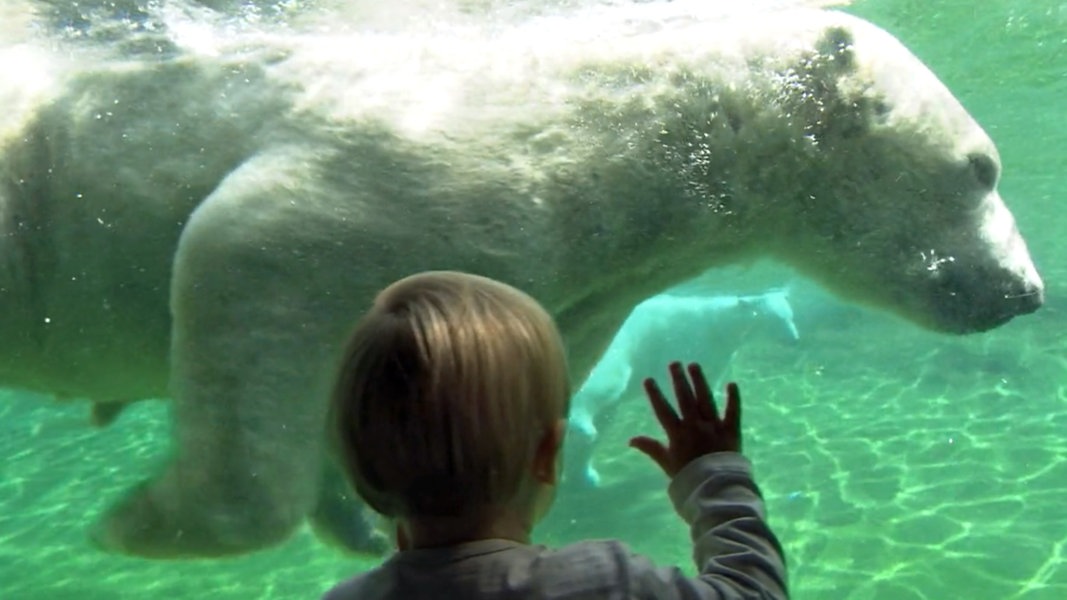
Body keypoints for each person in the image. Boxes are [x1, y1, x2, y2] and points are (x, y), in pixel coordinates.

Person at [323, 270, 788, 599]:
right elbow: (753, 592)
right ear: (546, 455)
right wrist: (714, 475)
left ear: (358, 471)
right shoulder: (605, 584)